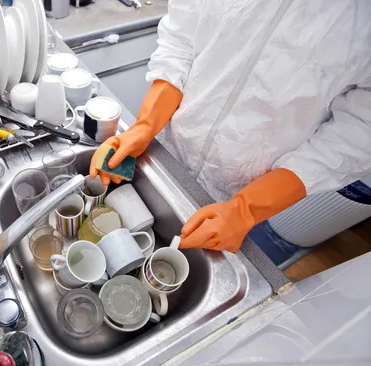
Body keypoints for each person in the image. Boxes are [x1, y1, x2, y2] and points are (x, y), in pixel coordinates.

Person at [90, 0, 371, 253]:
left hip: (249, 189)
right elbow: (182, 39)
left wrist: (245, 210)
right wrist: (144, 125)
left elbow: (358, 131)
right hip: (165, 150)